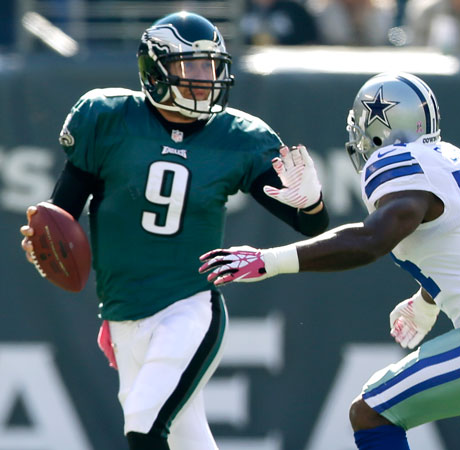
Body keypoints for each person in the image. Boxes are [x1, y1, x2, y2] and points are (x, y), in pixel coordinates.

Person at [200, 72, 460, 449]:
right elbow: (454, 246)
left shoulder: (397, 165)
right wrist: (427, 303)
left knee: (372, 412)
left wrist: (268, 260)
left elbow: (371, 239)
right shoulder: (449, 158)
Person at [19, 11, 329, 450]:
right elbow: (62, 213)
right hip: (123, 311)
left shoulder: (237, 137)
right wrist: (45, 239)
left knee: (145, 427)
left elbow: (311, 224)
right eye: (192, 66)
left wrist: (312, 203)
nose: (205, 78)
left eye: (211, 66)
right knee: (186, 439)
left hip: (188, 307)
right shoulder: (109, 120)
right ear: (156, 70)